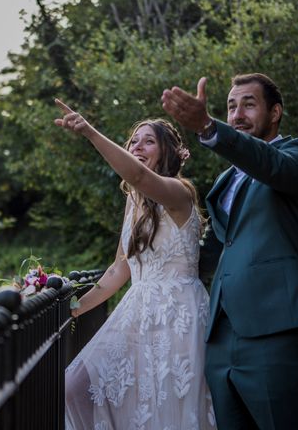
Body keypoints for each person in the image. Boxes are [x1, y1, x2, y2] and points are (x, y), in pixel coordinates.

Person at [161, 73, 298, 430]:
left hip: (277, 330)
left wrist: (206, 125)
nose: (236, 115)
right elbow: (211, 251)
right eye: (231, 106)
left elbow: (270, 165)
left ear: (275, 112)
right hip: (220, 338)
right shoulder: (226, 181)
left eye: (249, 105)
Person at [54, 98, 216, 430]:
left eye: (148, 141)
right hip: (136, 313)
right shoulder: (134, 203)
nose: (137, 146)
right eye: (133, 141)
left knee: (171, 408)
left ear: (166, 152)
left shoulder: (179, 193)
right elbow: (118, 270)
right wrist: (72, 309)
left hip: (176, 317)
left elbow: (139, 176)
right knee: (75, 386)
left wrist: (90, 132)